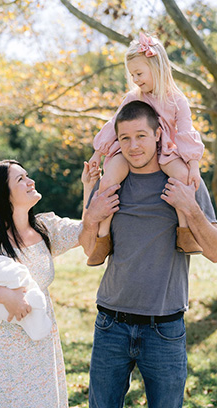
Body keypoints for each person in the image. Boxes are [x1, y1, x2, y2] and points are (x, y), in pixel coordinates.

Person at [80, 100, 217, 408]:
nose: (134, 146)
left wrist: (190, 208)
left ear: (159, 135)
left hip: (165, 328)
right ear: (117, 141)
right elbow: (90, 250)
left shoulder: (185, 181)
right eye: (125, 138)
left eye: (142, 136)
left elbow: (216, 251)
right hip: (111, 324)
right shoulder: (111, 184)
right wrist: (91, 213)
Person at [0, 159, 115, 408]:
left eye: (28, 176)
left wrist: (88, 188)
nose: (30, 181)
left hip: (37, 344)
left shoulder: (45, 228)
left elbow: (88, 238)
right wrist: (6, 296)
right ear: (4, 194)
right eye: (20, 179)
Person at [87, 32, 205, 266]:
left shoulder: (177, 101)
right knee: (109, 180)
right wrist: (98, 152)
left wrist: (193, 165)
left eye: (139, 73)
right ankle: (103, 237)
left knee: (182, 177)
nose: (136, 79)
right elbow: (114, 124)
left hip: (167, 150)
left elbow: (185, 132)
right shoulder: (133, 97)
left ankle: (184, 232)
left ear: (157, 67)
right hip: (131, 149)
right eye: (132, 75)